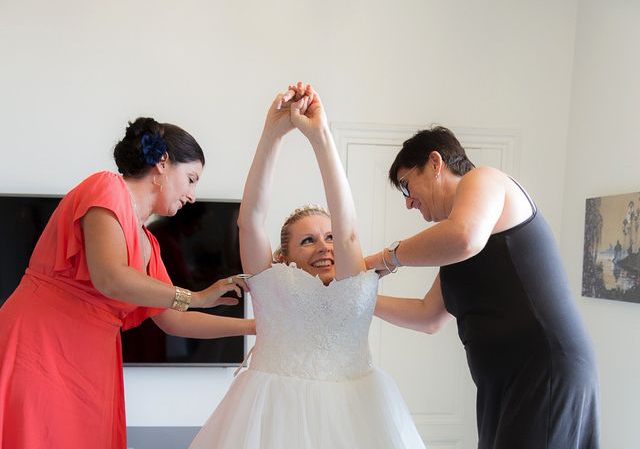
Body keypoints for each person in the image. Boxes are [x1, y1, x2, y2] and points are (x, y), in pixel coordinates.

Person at [188, 84, 426, 448]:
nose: (324, 247)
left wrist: (321, 137)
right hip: (270, 415)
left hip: (355, 417)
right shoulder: (269, 281)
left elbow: (348, 234)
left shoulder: (353, 279)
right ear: (283, 258)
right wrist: (273, 134)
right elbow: (249, 219)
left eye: (328, 237)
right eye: (308, 240)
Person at [0, 117, 255, 449]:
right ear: (162, 163)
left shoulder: (149, 242)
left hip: (90, 361)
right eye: (191, 180)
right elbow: (111, 277)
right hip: (41, 345)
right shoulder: (107, 187)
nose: (192, 196)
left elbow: (172, 319)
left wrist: (254, 326)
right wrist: (196, 296)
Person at [365, 126, 600, 448]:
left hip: (542, 366)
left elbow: (464, 237)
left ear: (435, 162)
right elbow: (428, 316)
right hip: (505, 382)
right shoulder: (458, 240)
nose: (408, 203)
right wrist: (361, 298)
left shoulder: (484, 180)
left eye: (407, 186)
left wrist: (384, 259)